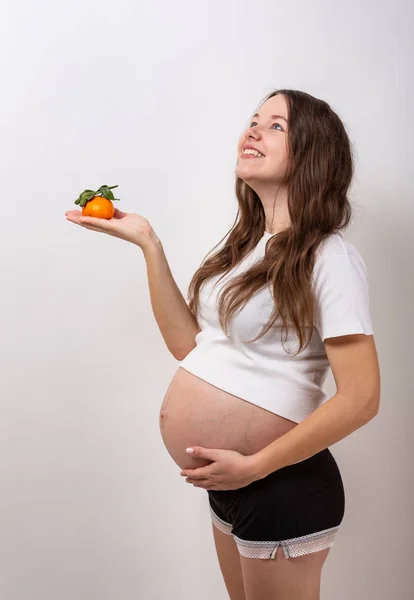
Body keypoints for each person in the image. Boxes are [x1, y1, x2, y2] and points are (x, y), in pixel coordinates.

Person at [65, 88, 381, 600]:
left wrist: (255, 466)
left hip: (280, 483)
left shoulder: (329, 257)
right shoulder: (246, 247)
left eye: (276, 125)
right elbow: (190, 348)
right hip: (231, 484)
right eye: (253, 120)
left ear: (313, 154)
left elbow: (362, 397)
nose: (253, 130)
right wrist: (150, 244)